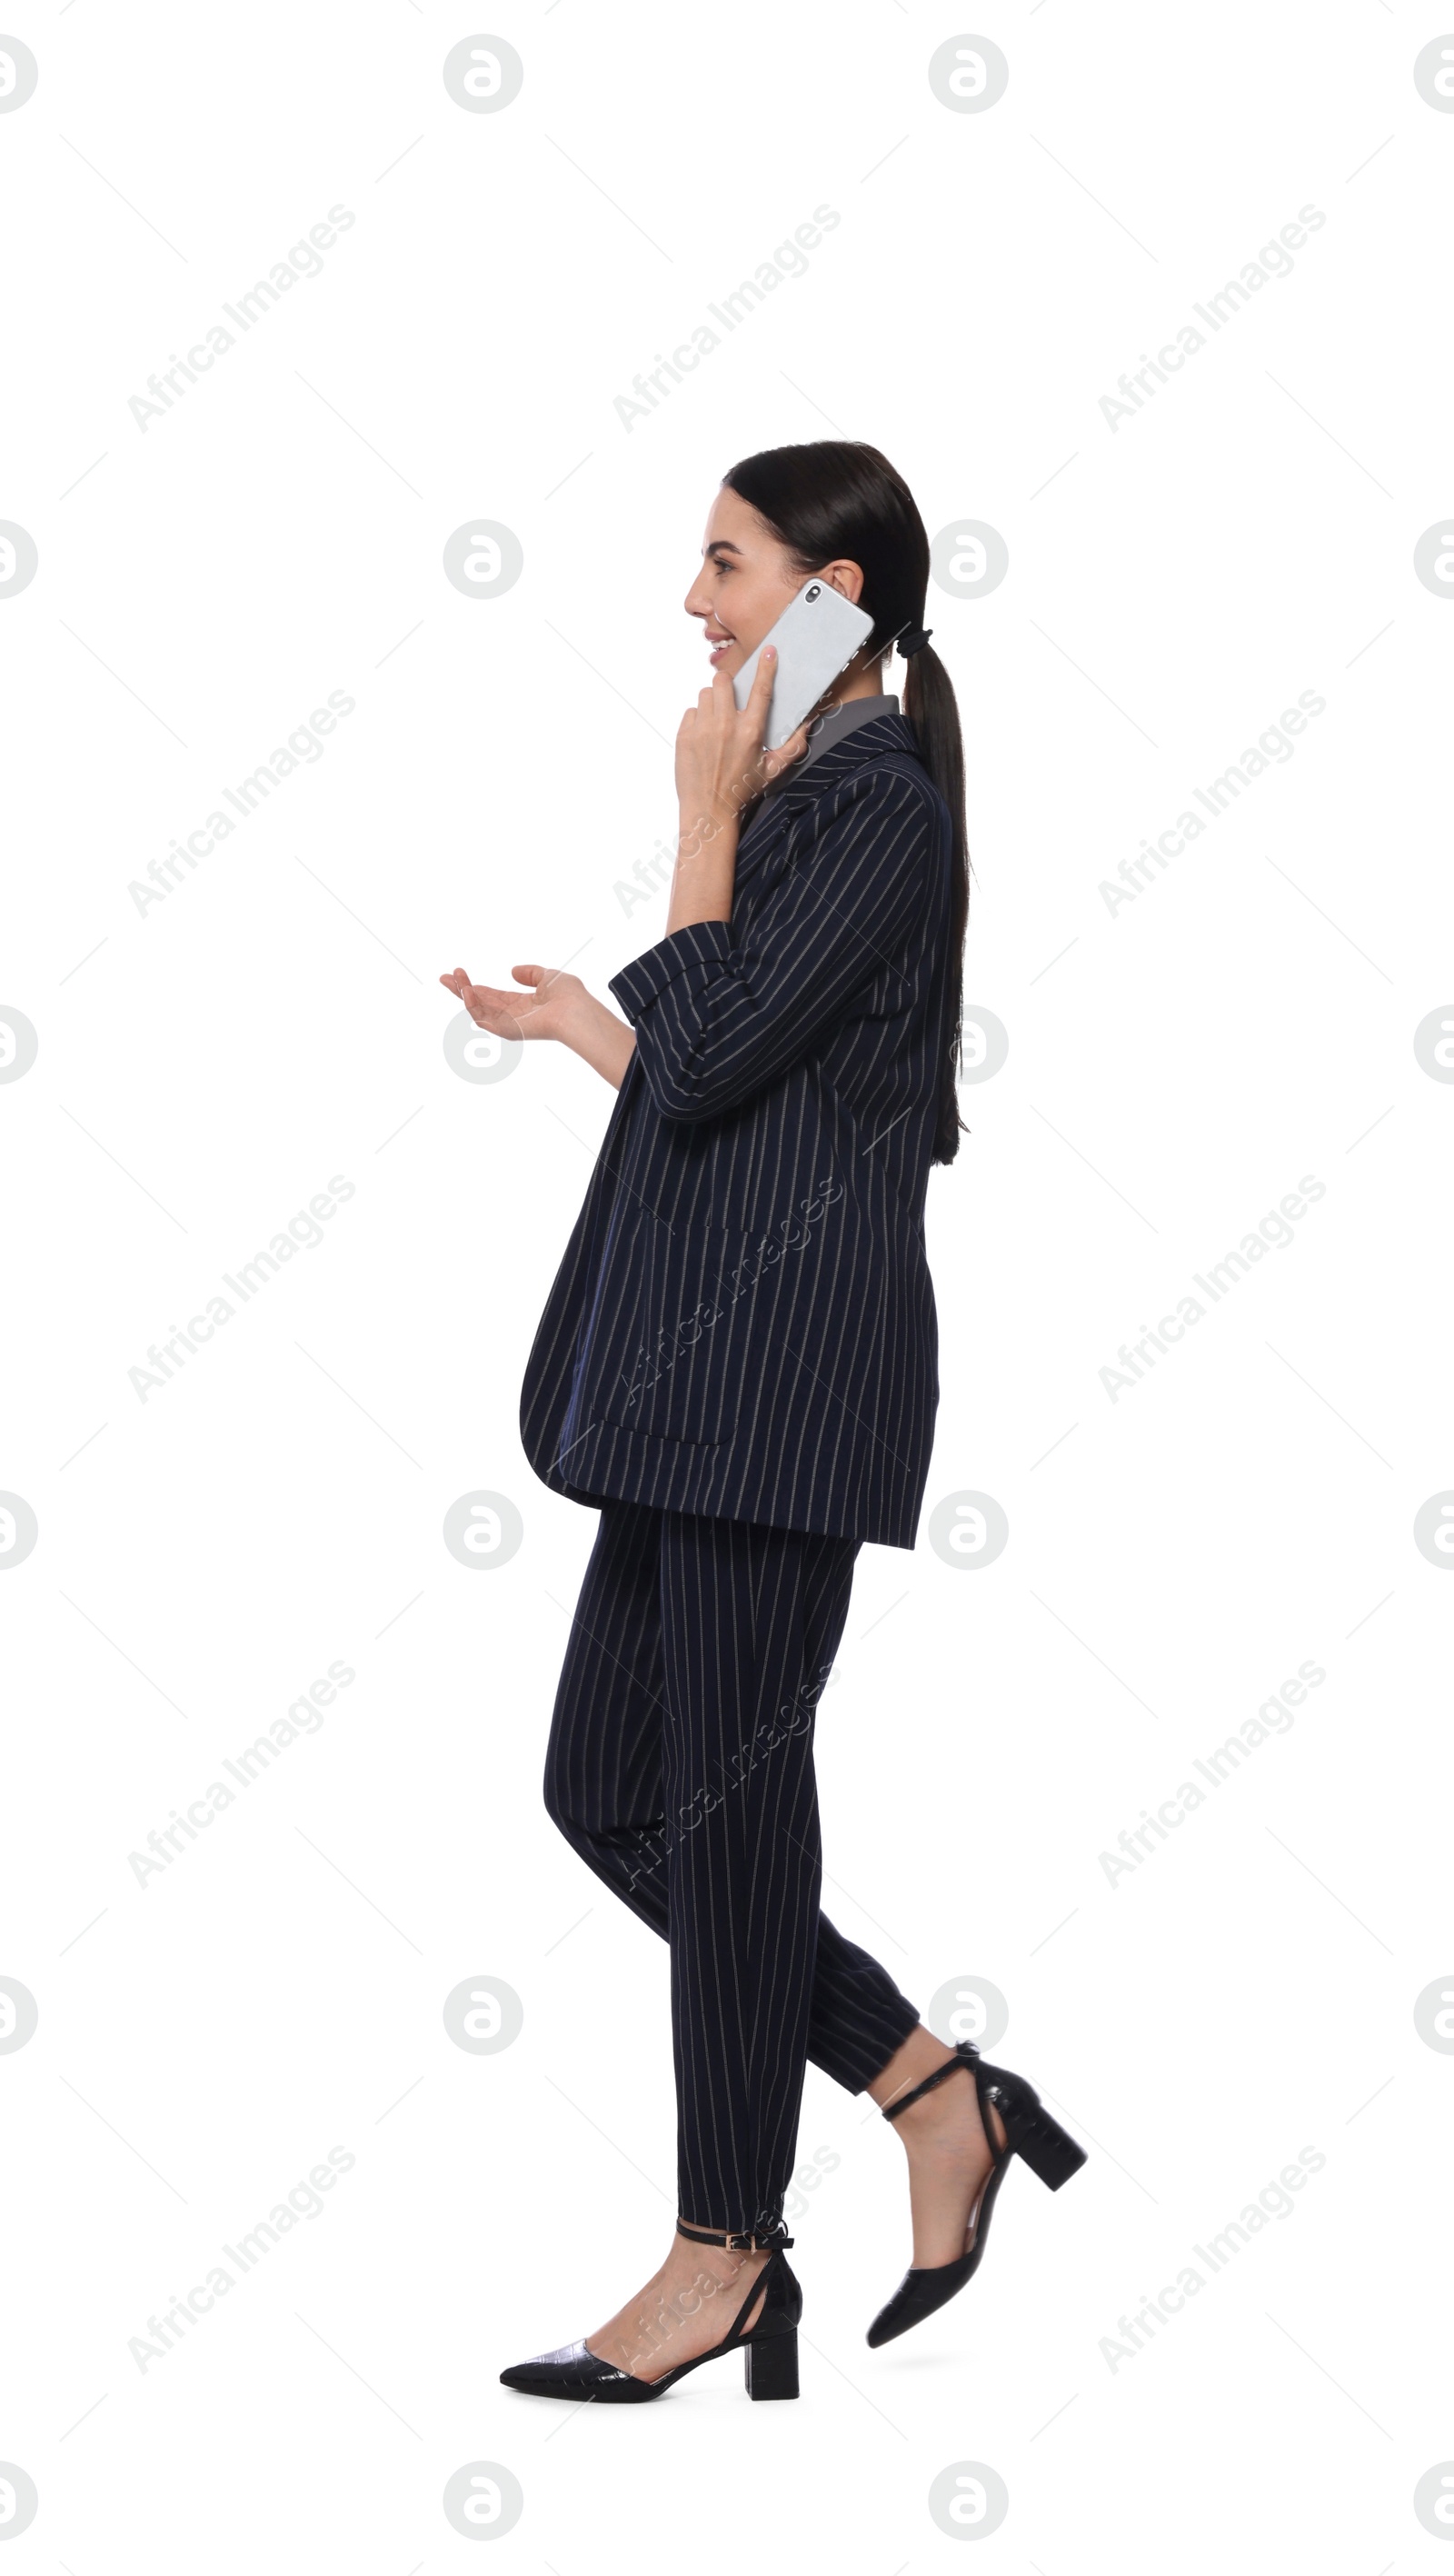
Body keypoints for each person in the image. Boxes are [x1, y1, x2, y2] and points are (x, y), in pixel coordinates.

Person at [441, 440, 1085, 2407]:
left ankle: (723, 2250)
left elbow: (724, 1055)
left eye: (724, 566)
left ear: (834, 599)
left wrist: (694, 819)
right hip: (697, 1386)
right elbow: (741, 1088)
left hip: (778, 1390)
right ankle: (920, 2081)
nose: (694, 604)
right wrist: (593, 1036)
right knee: (611, 1793)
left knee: (716, 1810)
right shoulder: (825, 798)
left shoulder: (868, 805)